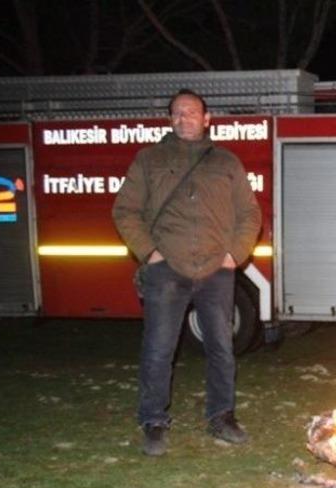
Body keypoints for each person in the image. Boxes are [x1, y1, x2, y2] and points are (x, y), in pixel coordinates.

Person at [113, 88, 262, 456]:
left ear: (207, 119)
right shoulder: (149, 159)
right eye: (177, 113)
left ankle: (222, 417)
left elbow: (250, 214)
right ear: (170, 119)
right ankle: (153, 421)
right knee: (159, 349)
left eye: (192, 112)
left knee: (222, 348)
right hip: (167, 270)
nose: (184, 118)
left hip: (217, 270)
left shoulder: (227, 162)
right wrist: (150, 253)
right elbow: (125, 210)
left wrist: (235, 254)